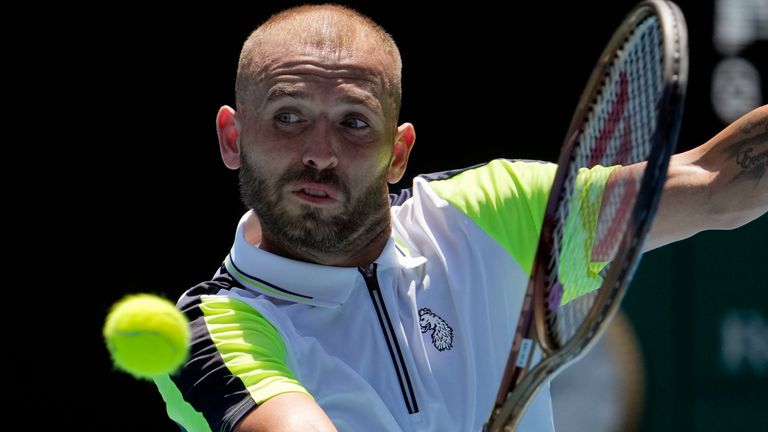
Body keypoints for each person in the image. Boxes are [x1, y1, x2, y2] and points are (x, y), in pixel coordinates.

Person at [151, 4, 767, 431]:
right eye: (288, 116)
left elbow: (716, 184)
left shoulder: (489, 215)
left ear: (399, 153)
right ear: (233, 138)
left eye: (354, 122)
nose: (319, 151)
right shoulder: (214, 333)